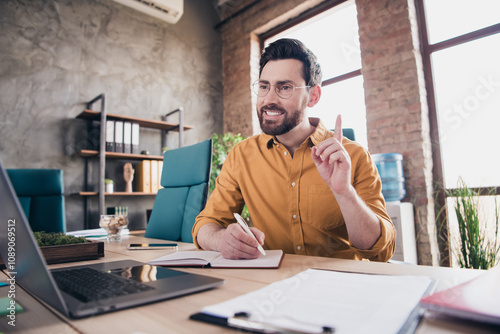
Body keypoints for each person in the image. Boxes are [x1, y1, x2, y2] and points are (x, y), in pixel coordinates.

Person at [193, 38, 396, 262]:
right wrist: (222, 240)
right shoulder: (241, 156)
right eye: (263, 86)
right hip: (274, 286)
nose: (269, 99)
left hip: (341, 284)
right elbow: (205, 225)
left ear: (313, 96)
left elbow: (380, 252)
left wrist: (344, 193)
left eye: (285, 87)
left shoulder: (353, 156)